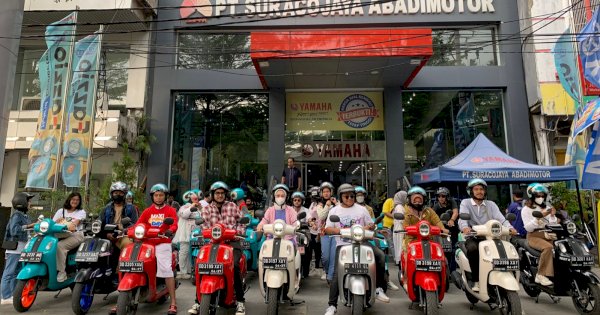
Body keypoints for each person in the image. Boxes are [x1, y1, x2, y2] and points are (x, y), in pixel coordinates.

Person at [323, 184, 389, 315]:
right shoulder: (334, 211)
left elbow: (371, 225)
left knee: (380, 256)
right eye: (346, 196)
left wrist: (371, 227)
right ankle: (332, 305)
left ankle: (378, 288)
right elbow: (328, 229)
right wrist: (341, 231)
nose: (350, 198)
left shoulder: (362, 210)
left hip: (362, 243)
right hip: (343, 245)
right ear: (341, 197)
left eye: (352, 196)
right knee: (337, 273)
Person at [189, 181, 246, 315]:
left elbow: (241, 222)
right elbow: (202, 225)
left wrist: (238, 233)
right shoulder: (207, 209)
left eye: (222, 193)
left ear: (225, 194)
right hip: (212, 243)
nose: (220, 195)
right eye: (217, 193)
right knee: (200, 264)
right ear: (213, 195)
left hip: (231, 242)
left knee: (235, 266)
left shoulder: (232, 206)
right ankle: (198, 301)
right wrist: (204, 232)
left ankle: (240, 301)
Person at [458, 179, 517, 292]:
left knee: (504, 249)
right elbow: (462, 219)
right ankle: (477, 280)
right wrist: (465, 228)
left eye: (481, 189)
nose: (479, 192)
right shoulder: (465, 203)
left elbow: (501, 219)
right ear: (471, 191)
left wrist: (510, 228)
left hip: (491, 236)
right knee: (473, 249)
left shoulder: (491, 204)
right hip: (473, 236)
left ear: (485, 191)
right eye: (476, 189)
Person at [135, 183, 178, 315]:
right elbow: (139, 224)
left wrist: (170, 230)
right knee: (132, 264)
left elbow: (175, 224)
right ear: (152, 197)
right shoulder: (147, 211)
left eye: (161, 195)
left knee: (166, 269)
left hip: (162, 243)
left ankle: (173, 303)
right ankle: (124, 297)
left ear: (165, 196)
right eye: (156, 195)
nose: (158, 198)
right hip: (147, 244)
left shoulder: (170, 210)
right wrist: (129, 230)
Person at [400, 187, 448, 283]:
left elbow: (437, 221)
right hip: (411, 239)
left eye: (420, 199)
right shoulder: (406, 212)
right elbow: (404, 225)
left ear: (424, 199)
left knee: (440, 256)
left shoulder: (429, 211)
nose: (417, 201)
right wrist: (407, 229)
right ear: (410, 199)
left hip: (428, 239)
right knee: (407, 255)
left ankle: (443, 278)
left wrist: (443, 229)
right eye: (415, 199)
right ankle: (406, 278)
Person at [1, 192, 36, 304]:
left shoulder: (25, 216)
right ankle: (5, 297)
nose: (30, 203)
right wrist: (29, 226)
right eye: (29, 201)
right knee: (9, 273)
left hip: (21, 248)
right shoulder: (17, 215)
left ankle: (12, 295)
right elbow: (14, 231)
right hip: (14, 248)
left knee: (16, 273)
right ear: (22, 202)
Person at [521, 184, 557, 286]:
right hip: (533, 235)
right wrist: (538, 218)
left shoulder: (547, 207)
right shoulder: (526, 210)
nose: (540, 198)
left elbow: (552, 224)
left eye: (542, 195)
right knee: (548, 247)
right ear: (532, 196)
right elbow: (528, 228)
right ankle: (540, 275)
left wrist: (553, 215)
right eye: (538, 195)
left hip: (548, 234)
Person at [53, 192, 87, 283]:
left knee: (60, 246)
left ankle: (61, 272)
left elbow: (76, 223)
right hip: (60, 234)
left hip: (76, 235)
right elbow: (52, 223)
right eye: (73, 199)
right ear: (69, 200)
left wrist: (67, 222)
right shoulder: (61, 211)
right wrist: (57, 221)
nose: (75, 201)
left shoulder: (81, 212)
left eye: (77, 200)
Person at [100, 181, 139, 249]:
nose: (118, 195)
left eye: (121, 193)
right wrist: (106, 234)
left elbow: (135, 225)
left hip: (124, 235)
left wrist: (124, 231)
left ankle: (124, 260)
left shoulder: (131, 208)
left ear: (125, 194)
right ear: (112, 194)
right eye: (116, 193)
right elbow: (100, 222)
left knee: (127, 244)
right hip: (109, 235)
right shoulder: (106, 208)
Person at [174, 190, 202, 279]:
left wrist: (200, 208)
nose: (196, 201)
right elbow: (184, 215)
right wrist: (191, 207)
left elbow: (203, 217)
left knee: (194, 252)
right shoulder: (183, 207)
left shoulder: (198, 208)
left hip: (196, 233)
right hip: (185, 233)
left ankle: (191, 271)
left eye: (196, 199)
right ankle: (183, 272)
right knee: (184, 252)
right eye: (194, 199)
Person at [314, 181, 338, 281]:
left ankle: (330, 276)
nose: (326, 193)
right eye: (324, 192)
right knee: (325, 257)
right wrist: (327, 206)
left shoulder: (337, 203)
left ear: (331, 192)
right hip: (325, 232)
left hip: (336, 232)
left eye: (328, 191)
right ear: (321, 193)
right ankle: (327, 270)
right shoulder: (319, 204)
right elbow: (321, 216)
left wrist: (336, 204)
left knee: (333, 256)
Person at [432, 187, 459, 271]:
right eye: (439, 196)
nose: (441, 198)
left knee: (453, 250)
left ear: (447, 197)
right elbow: (432, 217)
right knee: (442, 249)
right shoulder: (436, 207)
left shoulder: (452, 202)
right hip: (442, 232)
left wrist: (452, 220)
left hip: (453, 229)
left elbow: (455, 212)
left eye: (443, 196)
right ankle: (442, 270)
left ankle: (453, 271)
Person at [291, 191, 311, 277]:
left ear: (302, 201)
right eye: (295, 200)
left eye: (299, 200)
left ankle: (305, 271)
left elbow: (310, 219)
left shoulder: (306, 210)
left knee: (307, 250)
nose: (296, 202)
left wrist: (311, 223)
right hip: (291, 233)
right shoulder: (289, 210)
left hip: (303, 233)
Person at [306, 187, 323, 278]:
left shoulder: (322, 204)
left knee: (320, 250)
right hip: (312, 230)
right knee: (312, 249)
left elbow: (322, 217)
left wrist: (319, 228)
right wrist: (311, 222)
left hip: (320, 231)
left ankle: (321, 269)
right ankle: (314, 268)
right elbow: (309, 215)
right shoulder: (312, 204)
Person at [391, 190, 407, 265]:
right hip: (400, 229)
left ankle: (399, 260)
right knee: (401, 245)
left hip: (398, 229)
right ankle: (400, 261)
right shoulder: (399, 207)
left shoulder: (399, 206)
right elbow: (401, 219)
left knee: (399, 245)